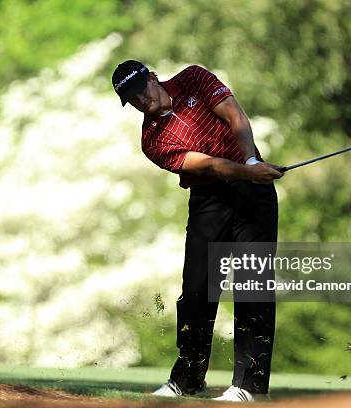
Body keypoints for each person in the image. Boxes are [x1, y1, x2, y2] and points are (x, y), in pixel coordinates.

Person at [111, 60, 284, 402]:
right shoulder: (152, 141)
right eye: (132, 98)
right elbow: (206, 165)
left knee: (253, 286)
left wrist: (250, 162)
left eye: (141, 89)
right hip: (209, 199)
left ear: (153, 78)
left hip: (253, 195)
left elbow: (235, 115)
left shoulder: (193, 78)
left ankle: (249, 387)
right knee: (196, 291)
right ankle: (188, 379)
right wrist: (245, 171)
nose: (141, 100)